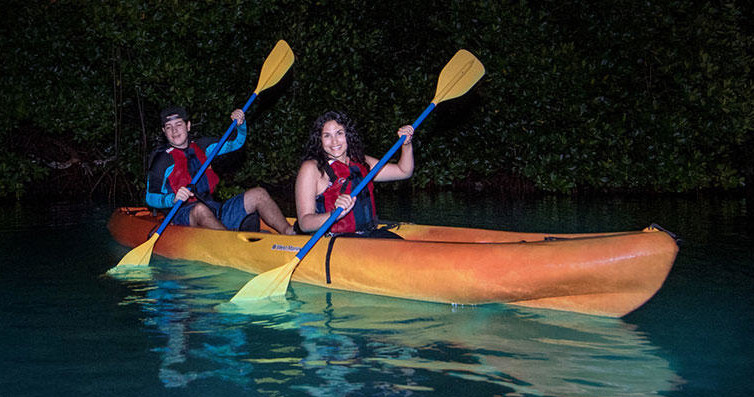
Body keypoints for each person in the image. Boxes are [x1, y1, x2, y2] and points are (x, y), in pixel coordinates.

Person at [146, 105, 294, 234]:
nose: (174, 131)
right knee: (199, 209)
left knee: (259, 193)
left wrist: (240, 125)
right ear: (164, 132)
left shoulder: (202, 146)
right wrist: (172, 199)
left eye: (178, 124)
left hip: (214, 209)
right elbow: (150, 197)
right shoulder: (161, 160)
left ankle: (290, 234)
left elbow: (236, 142)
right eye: (168, 127)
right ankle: (231, 243)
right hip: (182, 216)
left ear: (188, 126)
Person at [295, 110, 414, 236]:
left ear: (348, 135)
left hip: (368, 235)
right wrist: (334, 215)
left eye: (339, 133)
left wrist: (406, 144)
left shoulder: (361, 162)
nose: (334, 141)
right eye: (327, 135)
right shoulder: (312, 169)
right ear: (319, 140)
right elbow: (305, 223)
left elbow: (404, 171)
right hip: (334, 241)